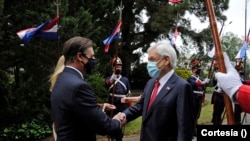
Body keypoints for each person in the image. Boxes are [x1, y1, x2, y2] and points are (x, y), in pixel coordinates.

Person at [118, 40, 195, 141]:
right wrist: (124, 114)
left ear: (166, 60)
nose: (149, 64)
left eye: (152, 59)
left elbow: (184, 128)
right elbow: (141, 105)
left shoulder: (182, 87)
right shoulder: (150, 83)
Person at [50, 36, 124, 141]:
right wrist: (117, 121)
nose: (94, 60)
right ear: (80, 56)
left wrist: (101, 107)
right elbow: (103, 126)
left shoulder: (61, 80)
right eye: (92, 57)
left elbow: (77, 110)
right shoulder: (79, 86)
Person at [104, 56, 131, 141]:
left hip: (122, 107)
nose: (118, 68)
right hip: (113, 106)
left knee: (120, 130)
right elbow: (107, 84)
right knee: (112, 128)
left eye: (120, 66)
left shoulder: (125, 80)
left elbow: (128, 95)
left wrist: (129, 109)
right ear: (113, 68)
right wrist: (114, 76)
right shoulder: (109, 79)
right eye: (116, 66)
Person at [187, 59, 209, 135]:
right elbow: (195, 84)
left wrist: (207, 82)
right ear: (193, 70)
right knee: (192, 114)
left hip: (199, 98)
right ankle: (191, 130)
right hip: (193, 98)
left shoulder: (201, 78)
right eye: (197, 69)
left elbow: (203, 86)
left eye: (199, 69)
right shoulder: (190, 78)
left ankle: (195, 127)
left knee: (197, 114)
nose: (198, 71)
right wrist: (203, 82)